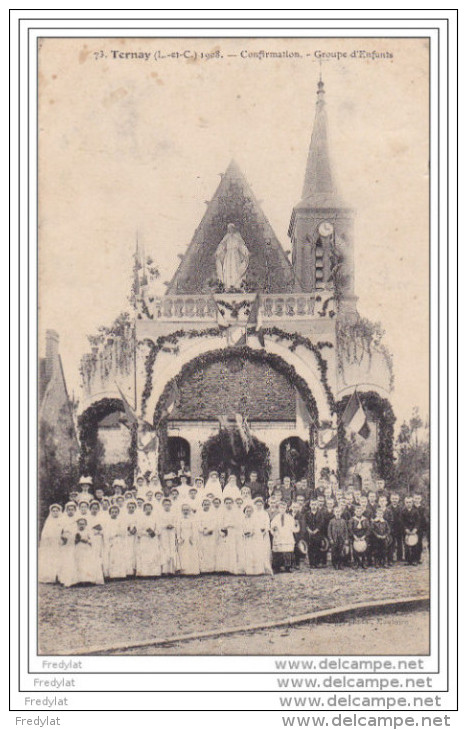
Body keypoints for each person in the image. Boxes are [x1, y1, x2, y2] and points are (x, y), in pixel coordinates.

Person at [71, 517, 105, 586]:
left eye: (83, 524)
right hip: (78, 549)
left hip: (86, 549)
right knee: (78, 563)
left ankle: (88, 579)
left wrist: (87, 541)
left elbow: (92, 541)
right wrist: (77, 540)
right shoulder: (75, 532)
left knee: (87, 563)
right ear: (77, 525)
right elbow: (72, 542)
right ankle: (79, 580)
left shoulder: (88, 532)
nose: (81, 526)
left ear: (86, 525)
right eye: (80, 524)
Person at [270, 500, 299, 573]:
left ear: (286, 508)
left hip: (287, 536)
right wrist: (274, 529)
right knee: (278, 553)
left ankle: (287, 567)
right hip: (279, 536)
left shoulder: (290, 518)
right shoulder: (276, 518)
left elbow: (294, 529)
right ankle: (277, 567)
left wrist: (296, 525)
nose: (282, 509)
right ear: (278, 509)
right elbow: (272, 527)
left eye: (284, 508)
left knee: (287, 552)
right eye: (281, 508)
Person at [38, 504, 63, 584]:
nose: (55, 513)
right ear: (51, 512)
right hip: (50, 544)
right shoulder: (49, 521)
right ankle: (50, 576)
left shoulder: (62, 520)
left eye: (57, 511)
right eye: (53, 511)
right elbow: (45, 534)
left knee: (60, 558)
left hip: (59, 543)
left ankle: (59, 576)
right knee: (50, 559)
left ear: (59, 512)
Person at [135, 502, 161, 577]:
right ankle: (145, 572)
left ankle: (154, 573)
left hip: (153, 539)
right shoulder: (141, 519)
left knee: (153, 554)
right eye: (146, 509)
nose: (148, 510)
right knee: (145, 554)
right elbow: (138, 530)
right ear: (144, 509)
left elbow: (159, 529)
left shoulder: (155, 518)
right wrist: (146, 533)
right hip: (145, 539)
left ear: (151, 509)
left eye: (149, 509)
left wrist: (154, 533)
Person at [219, 496, 241, 574]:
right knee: (226, 549)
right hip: (226, 532)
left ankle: (233, 568)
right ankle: (226, 568)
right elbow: (220, 523)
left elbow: (238, 523)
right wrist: (224, 528)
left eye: (230, 503)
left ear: (232, 504)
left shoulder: (235, 512)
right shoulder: (222, 513)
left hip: (234, 532)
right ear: (224, 504)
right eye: (227, 503)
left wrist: (231, 525)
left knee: (233, 549)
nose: (228, 505)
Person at [104, 505, 127, 579]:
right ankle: (113, 574)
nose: (114, 513)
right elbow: (106, 532)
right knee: (112, 557)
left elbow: (123, 531)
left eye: (116, 512)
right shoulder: (107, 522)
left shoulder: (121, 521)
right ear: (110, 513)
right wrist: (112, 535)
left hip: (119, 540)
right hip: (111, 541)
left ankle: (120, 574)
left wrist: (118, 533)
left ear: (118, 513)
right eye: (112, 512)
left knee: (119, 556)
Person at [176, 504, 200, 576]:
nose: (185, 511)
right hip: (183, 537)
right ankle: (184, 571)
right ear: (181, 510)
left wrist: (192, 537)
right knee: (183, 553)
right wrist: (179, 538)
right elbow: (178, 530)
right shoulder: (179, 519)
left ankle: (192, 570)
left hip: (190, 537)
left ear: (189, 510)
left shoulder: (192, 519)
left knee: (191, 553)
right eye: (184, 510)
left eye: (187, 510)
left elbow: (194, 529)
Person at [253, 497, 273, 575]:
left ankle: (265, 567)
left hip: (264, 534)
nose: (259, 506)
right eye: (257, 505)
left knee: (265, 550)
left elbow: (267, 523)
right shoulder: (253, 513)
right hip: (256, 534)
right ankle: (257, 568)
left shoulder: (265, 513)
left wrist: (265, 530)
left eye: (260, 505)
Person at [159, 498, 180, 575]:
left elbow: (176, 522)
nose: (167, 506)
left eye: (168, 505)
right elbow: (159, 523)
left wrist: (172, 525)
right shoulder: (160, 514)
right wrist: (165, 526)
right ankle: (165, 570)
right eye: (165, 505)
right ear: (163, 505)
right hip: (164, 533)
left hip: (171, 532)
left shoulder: (173, 514)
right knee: (165, 549)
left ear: (170, 505)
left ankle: (172, 570)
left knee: (172, 549)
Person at [197, 498, 217, 573]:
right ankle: (203, 568)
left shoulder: (213, 513)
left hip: (210, 534)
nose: (206, 506)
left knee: (210, 550)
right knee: (203, 550)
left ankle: (211, 568)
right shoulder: (199, 514)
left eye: (208, 504)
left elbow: (214, 523)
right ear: (202, 505)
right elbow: (198, 524)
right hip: (202, 535)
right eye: (205, 504)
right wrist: (202, 530)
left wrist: (209, 529)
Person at [327, 505, 349, 570]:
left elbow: (346, 531)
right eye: (336, 511)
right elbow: (329, 531)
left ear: (341, 512)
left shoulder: (343, 521)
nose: (338, 513)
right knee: (334, 552)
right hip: (334, 539)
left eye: (339, 511)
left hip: (341, 539)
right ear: (334, 513)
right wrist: (330, 538)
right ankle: (335, 564)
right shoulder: (331, 521)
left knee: (341, 552)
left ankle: (340, 564)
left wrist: (346, 539)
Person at [401, 496, 421, 565]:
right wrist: (405, 529)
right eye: (407, 502)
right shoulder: (403, 511)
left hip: (414, 530)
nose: (408, 504)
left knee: (414, 545)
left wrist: (415, 529)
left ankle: (414, 560)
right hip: (406, 530)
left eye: (410, 502)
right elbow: (402, 521)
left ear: (412, 503)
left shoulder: (415, 511)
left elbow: (418, 521)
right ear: (404, 503)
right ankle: (408, 560)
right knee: (406, 545)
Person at [349, 505, 370, 569]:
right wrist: (354, 536)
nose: (358, 512)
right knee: (355, 550)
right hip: (355, 536)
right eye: (357, 511)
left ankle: (364, 562)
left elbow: (368, 529)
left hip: (363, 536)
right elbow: (350, 529)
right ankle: (356, 562)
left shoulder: (365, 519)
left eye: (360, 511)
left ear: (362, 512)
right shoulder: (352, 520)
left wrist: (364, 536)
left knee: (365, 549)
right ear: (355, 512)